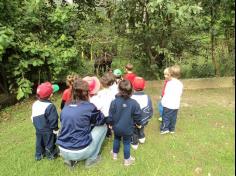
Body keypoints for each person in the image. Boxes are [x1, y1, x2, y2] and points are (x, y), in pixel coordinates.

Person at [56, 78, 107, 168]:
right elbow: (101, 120)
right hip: (80, 151)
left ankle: (69, 160)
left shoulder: (66, 106)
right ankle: (92, 159)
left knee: (65, 128)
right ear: (86, 93)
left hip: (62, 150)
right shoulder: (89, 107)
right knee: (103, 127)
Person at [107, 80, 142, 166]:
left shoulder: (114, 102)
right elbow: (138, 116)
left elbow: (110, 115)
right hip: (128, 128)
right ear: (131, 90)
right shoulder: (134, 103)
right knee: (126, 143)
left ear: (119, 89)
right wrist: (139, 123)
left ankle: (114, 154)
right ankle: (127, 160)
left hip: (117, 127)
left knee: (116, 139)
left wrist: (110, 124)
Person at [31, 82, 60, 161]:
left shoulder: (35, 103)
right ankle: (51, 155)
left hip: (38, 128)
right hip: (47, 129)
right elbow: (53, 120)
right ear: (51, 95)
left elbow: (32, 117)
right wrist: (55, 129)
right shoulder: (50, 106)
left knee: (39, 142)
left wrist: (37, 126)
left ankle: (38, 155)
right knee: (50, 142)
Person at [90, 72, 116, 137]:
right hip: (110, 113)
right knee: (108, 124)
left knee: (104, 124)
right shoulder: (113, 91)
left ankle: (106, 133)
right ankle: (109, 133)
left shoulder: (99, 94)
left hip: (102, 114)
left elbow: (98, 106)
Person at [131, 77, 153, 150]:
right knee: (141, 128)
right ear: (144, 86)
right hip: (144, 119)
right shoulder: (147, 97)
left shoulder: (131, 97)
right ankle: (142, 138)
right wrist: (149, 116)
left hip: (133, 121)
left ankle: (134, 143)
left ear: (133, 86)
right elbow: (150, 108)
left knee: (134, 131)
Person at [160, 65, 183, 134]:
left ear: (171, 74)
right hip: (176, 104)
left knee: (165, 117)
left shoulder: (169, 83)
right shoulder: (180, 83)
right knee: (173, 118)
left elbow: (166, 93)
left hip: (168, 104)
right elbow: (180, 93)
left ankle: (164, 129)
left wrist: (162, 101)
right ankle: (172, 129)